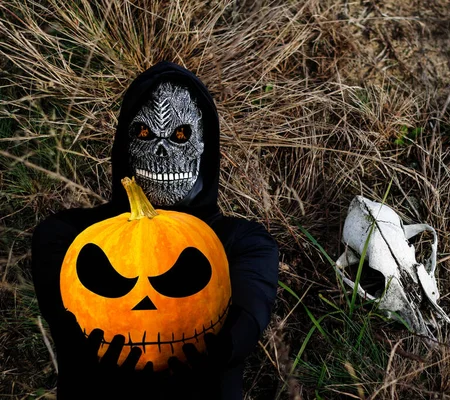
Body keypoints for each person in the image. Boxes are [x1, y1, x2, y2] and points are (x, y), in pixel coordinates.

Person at [30, 61, 279, 399]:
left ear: (204, 146)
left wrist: (222, 350)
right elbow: (61, 313)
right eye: (144, 134)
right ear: (123, 145)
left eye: (180, 136)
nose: (161, 151)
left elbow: (251, 313)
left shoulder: (242, 242)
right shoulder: (69, 236)